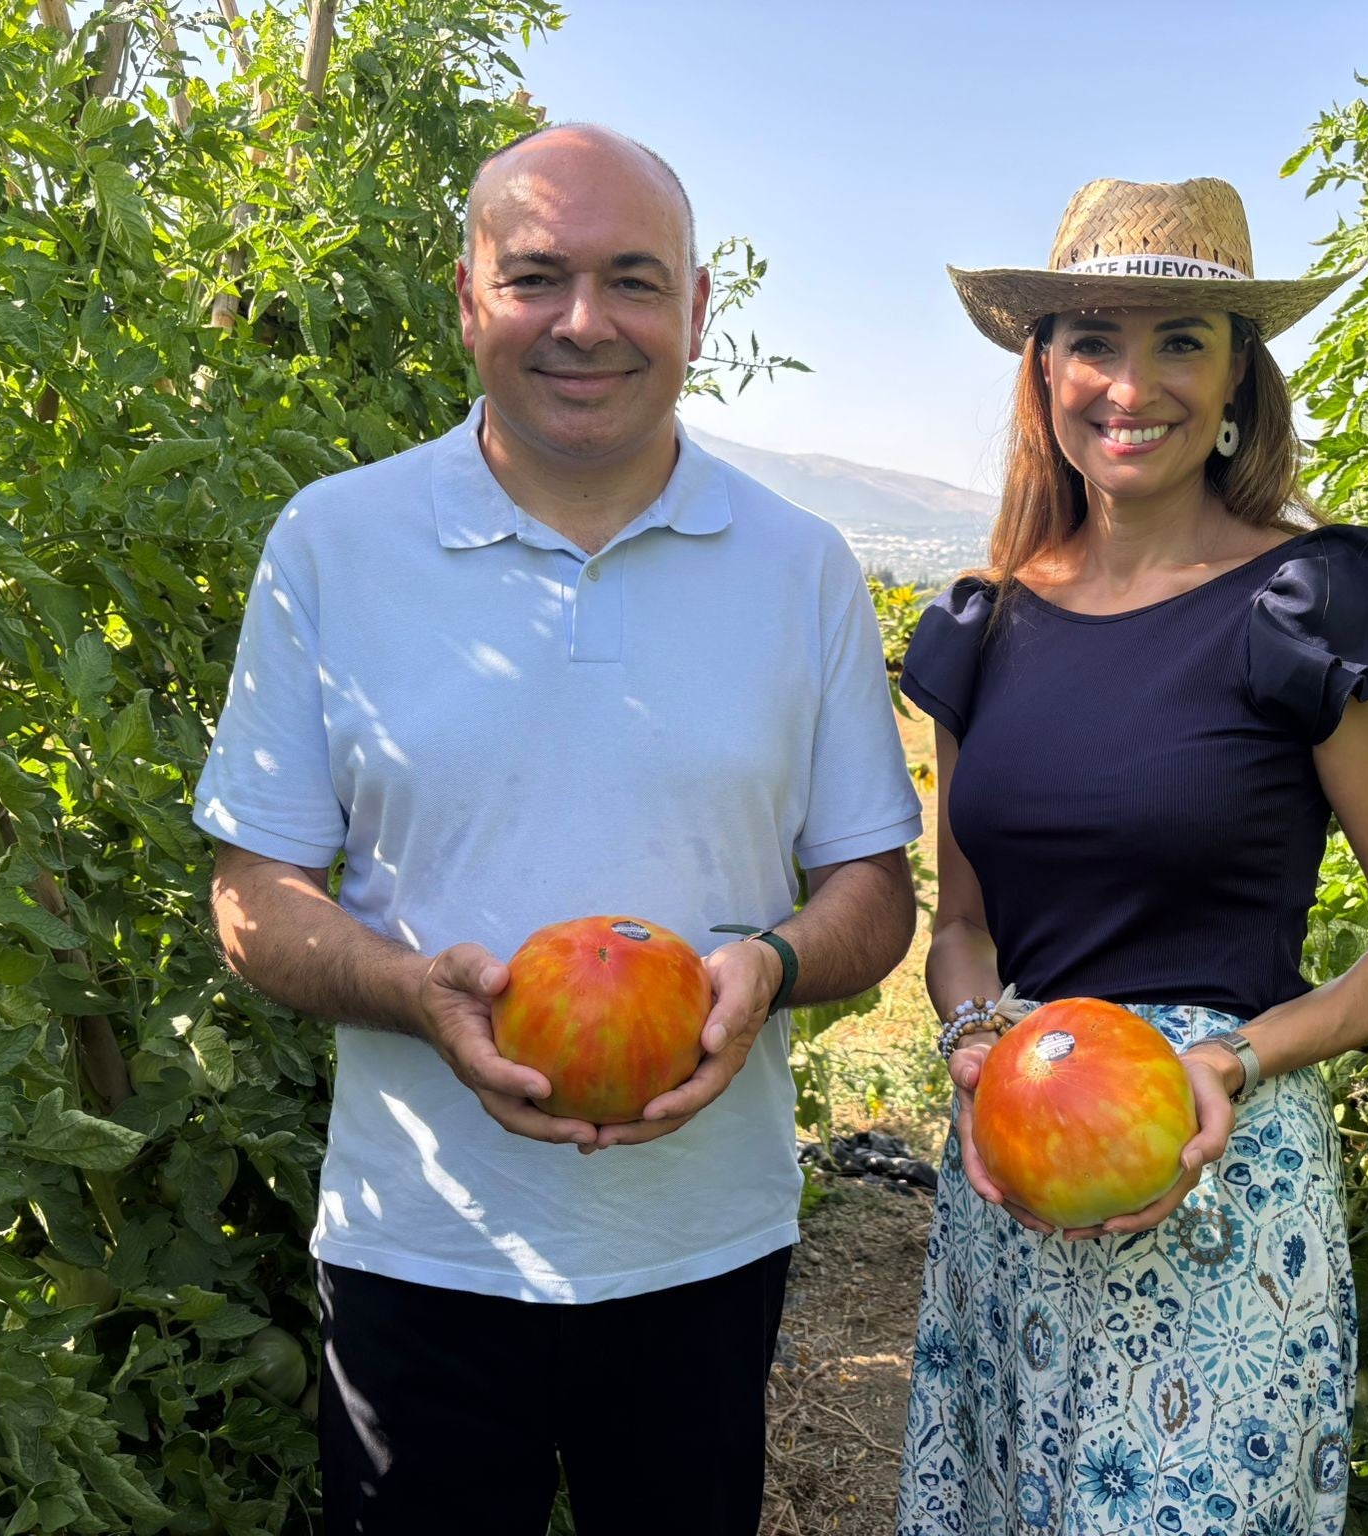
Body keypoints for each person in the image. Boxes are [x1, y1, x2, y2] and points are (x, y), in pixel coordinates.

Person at [193, 123, 922, 1536]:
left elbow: (872, 894)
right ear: (467, 296)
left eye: (634, 280)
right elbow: (251, 889)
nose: (585, 322)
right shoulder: (334, 543)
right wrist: (410, 991)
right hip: (420, 1245)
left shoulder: (801, 566)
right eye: (537, 275)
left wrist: (768, 962)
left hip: (704, 1248)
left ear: (698, 310)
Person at [893, 178, 1368, 1536]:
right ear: (1042, 372)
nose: (1131, 383)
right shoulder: (983, 628)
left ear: (1237, 378)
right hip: (1015, 1175)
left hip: (1222, 1175)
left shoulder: (1310, 604)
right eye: (1094, 338)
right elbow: (962, 925)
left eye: (1182, 341)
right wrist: (976, 1040)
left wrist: (1231, 1059)